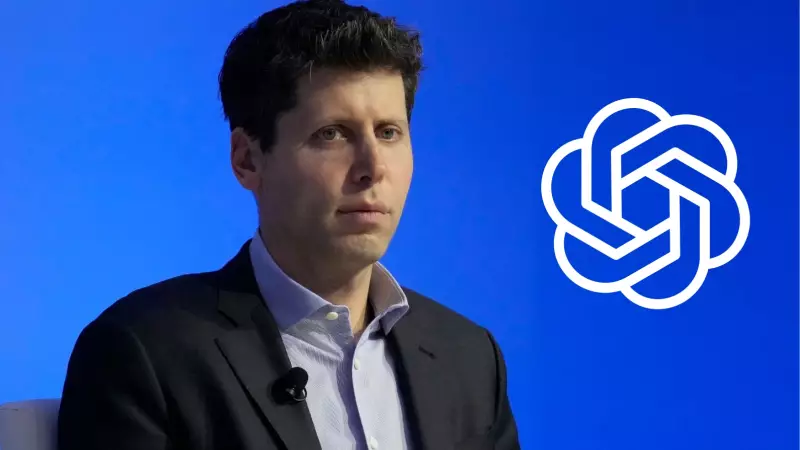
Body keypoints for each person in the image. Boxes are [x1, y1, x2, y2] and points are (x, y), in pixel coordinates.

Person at [56, 0, 520, 449]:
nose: (373, 167)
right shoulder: (145, 351)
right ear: (247, 159)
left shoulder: (470, 356)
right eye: (332, 134)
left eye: (388, 132)